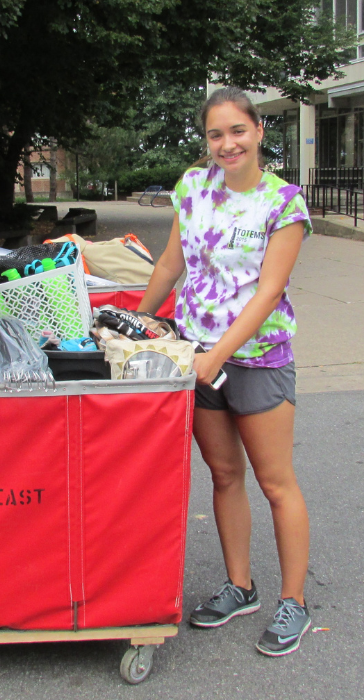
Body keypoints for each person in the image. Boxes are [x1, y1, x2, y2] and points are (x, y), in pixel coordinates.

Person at [138, 86, 312, 657]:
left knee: (275, 483)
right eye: (216, 134)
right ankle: (241, 586)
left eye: (238, 131)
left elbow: (269, 291)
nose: (227, 143)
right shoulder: (192, 188)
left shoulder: (283, 202)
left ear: (259, 132)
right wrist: (135, 323)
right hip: (196, 350)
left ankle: (295, 602)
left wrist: (218, 356)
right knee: (223, 474)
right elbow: (172, 262)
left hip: (256, 359)